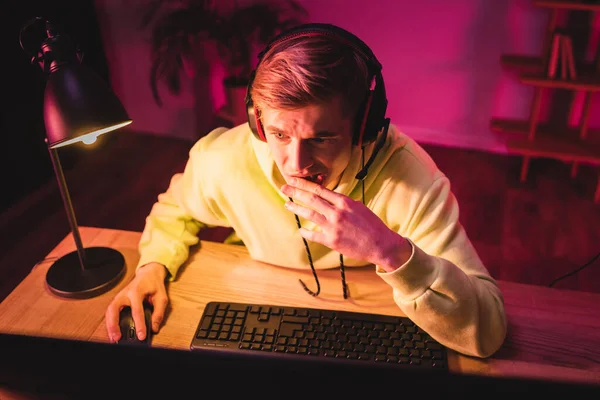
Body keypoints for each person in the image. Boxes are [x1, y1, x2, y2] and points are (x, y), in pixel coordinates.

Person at [105, 23, 507, 358]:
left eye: (322, 138)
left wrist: (389, 250)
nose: (296, 164)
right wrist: (152, 267)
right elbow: (176, 210)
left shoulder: (414, 178)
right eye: (279, 134)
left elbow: (487, 332)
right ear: (257, 121)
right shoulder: (224, 159)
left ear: (364, 126)